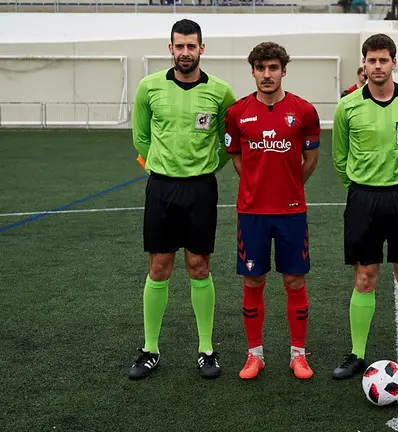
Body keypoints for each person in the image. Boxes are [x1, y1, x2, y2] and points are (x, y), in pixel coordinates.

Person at [128, 19, 237, 380]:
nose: (185, 52)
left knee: (199, 267)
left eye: (192, 46)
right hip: (161, 189)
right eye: (179, 46)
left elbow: (229, 141)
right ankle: (149, 349)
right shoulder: (149, 87)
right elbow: (141, 139)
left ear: (202, 49)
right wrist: (159, 168)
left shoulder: (221, 92)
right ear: (170, 48)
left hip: (201, 190)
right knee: (158, 267)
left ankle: (206, 349)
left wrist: (206, 168)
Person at [331, 33, 398, 382]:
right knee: (365, 277)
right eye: (371, 60)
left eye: (383, 60)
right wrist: (360, 188)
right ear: (364, 63)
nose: (377, 66)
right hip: (363, 199)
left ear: (394, 62)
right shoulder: (347, 106)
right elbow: (340, 158)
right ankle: (357, 353)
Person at [224, 42, 320, 381]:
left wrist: (293, 183)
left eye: (273, 68)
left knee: (294, 281)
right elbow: (236, 157)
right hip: (252, 213)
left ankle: (298, 355)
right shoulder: (237, 113)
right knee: (254, 279)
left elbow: (311, 158)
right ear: (252, 71)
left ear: (283, 70)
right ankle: (255, 356)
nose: (267, 74)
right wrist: (255, 183)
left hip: (292, 212)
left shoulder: (304, 111)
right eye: (261, 68)